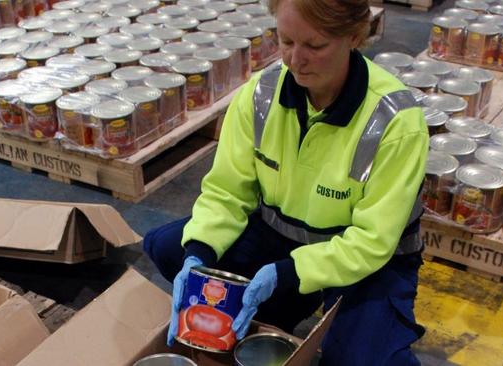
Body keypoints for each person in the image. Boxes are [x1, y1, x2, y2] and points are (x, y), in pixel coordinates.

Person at [143, 0, 429, 364]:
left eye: (315, 46)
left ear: (355, 36)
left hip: (366, 260)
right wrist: (198, 252)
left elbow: (373, 242)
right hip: (282, 239)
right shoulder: (261, 95)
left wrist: (292, 272)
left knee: (362, 359)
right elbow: (226, 192)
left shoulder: (395, 123)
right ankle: (281, 308)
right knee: (170, 246)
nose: (295, 60)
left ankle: (300, 302)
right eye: (286, 41)